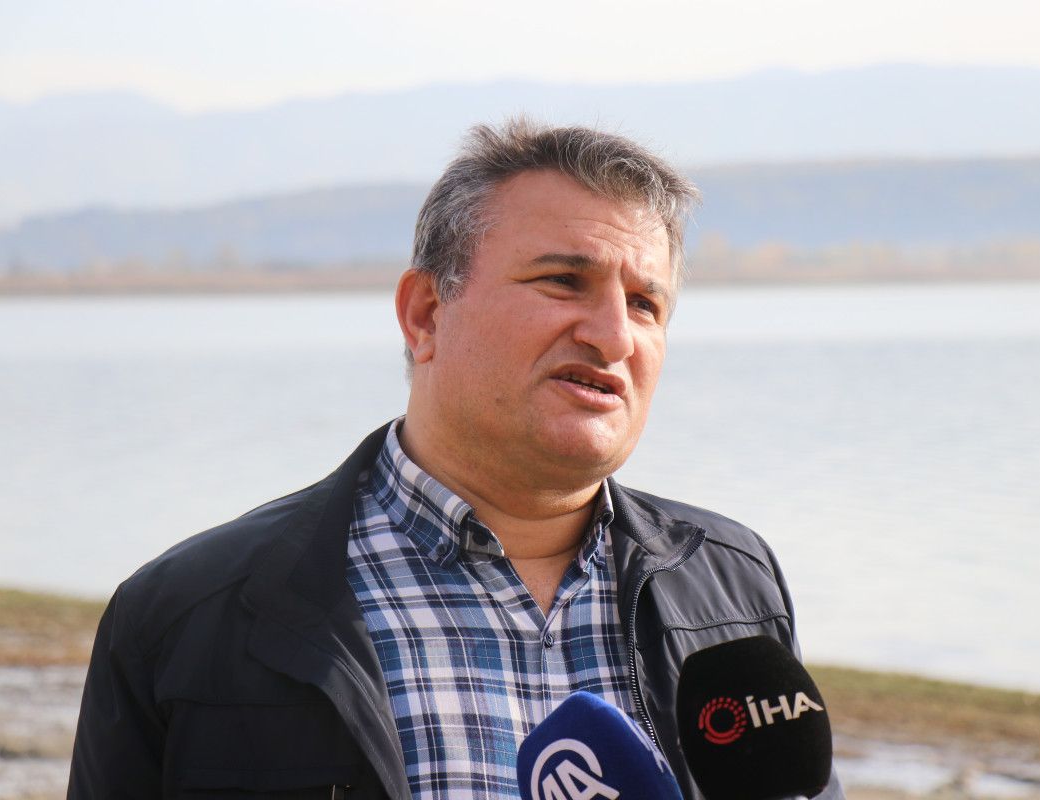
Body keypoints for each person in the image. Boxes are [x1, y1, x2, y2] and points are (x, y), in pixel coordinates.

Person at [68, 119, 844, 799]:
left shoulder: (734, 583)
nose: (613, 335)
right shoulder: (190, 615)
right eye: (564, 282)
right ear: (426, 314)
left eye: (646, 304)